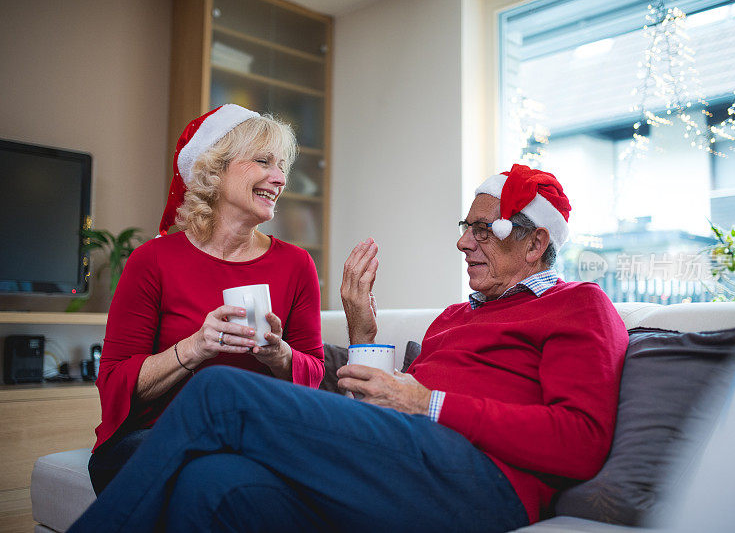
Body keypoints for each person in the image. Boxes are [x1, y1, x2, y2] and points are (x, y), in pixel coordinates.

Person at [69, 164, 628, 532]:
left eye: (484, 229)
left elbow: (580, 443)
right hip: (407, 462)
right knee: (212, 484)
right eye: (465, 226)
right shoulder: (455, 317)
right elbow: (374, 411)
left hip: (483, 484)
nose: (462, 241)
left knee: (221, 391)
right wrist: (363, 330)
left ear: (536, 243)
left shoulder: (580, 305)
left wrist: (428, 403)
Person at [88, 104, 324, 495]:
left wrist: (279, 355)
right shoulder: (154, 260)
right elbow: (113, 381)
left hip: (258, 434)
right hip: (157, 434)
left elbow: (313, 373)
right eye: (263, 161)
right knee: (210, 476)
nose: (279, 178)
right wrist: (194, 348)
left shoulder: (297, 264)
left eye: (282, 166)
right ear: (215, 169)